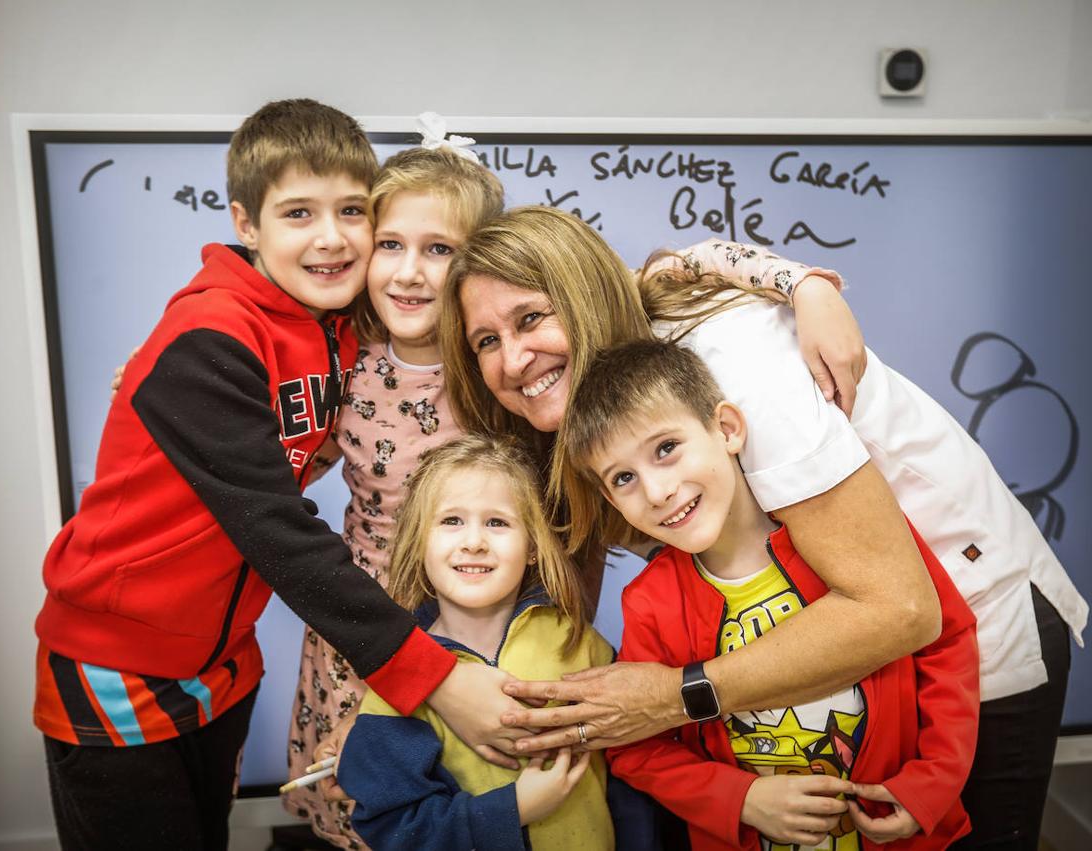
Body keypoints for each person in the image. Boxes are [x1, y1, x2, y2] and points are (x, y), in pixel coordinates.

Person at [438, 206, 1086, 848]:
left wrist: (675, 695)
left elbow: (906, 608)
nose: (514, 358)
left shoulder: (737, 364)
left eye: (530, 318)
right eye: (486, 341)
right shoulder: (602, 424)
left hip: (969, 625)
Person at [32, 100, 518, 850]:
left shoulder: (338, 326)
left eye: (351, 210)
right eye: (297, 212)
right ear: (246, 224)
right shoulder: (207, 340)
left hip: (223, 656)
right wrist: (435, 675)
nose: (330, 237)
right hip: (122, 663)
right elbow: (279, 532)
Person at [562, 338, 980, 850]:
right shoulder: (649, 603)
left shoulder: (846, 539)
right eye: (624, 478)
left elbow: (947, 639)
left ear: (727, 429)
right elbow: (636, 747)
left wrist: (930, 784)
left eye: (666, 449)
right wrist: (741, 799)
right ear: (609, 498)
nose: (656, 491)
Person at [282, 141, 505, 848]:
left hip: (478, 628)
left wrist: (797, 284)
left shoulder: (503, 364)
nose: (410, 273)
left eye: (438, 249)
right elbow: (278, 461)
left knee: (465, 803)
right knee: (361, 803)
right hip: (362, 628)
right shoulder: (340, 359)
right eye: (390, 245)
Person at [338, 434, 658, 851]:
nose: (474, 541)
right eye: (451, 521)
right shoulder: (397, 686)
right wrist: (515, 809)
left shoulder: (577, 645)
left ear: (531, 547)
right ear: (419, 542)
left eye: (497, 522)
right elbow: (398, 830)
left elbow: (633, 776)